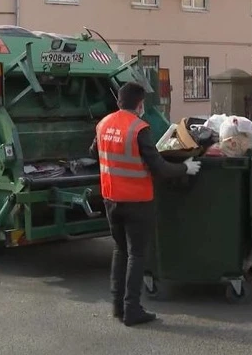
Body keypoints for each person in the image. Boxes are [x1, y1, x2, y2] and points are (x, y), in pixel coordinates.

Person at [89, 82, 201, 326]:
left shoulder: (103, 124)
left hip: (111, 199)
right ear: (140, 105)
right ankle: (132, 310)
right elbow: (159, 167)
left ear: (119, 102)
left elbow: (93, 152)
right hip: (137, 201)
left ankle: (118, 307)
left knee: (120, 251)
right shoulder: (139, 129)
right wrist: (185, 167)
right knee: (137, 255)